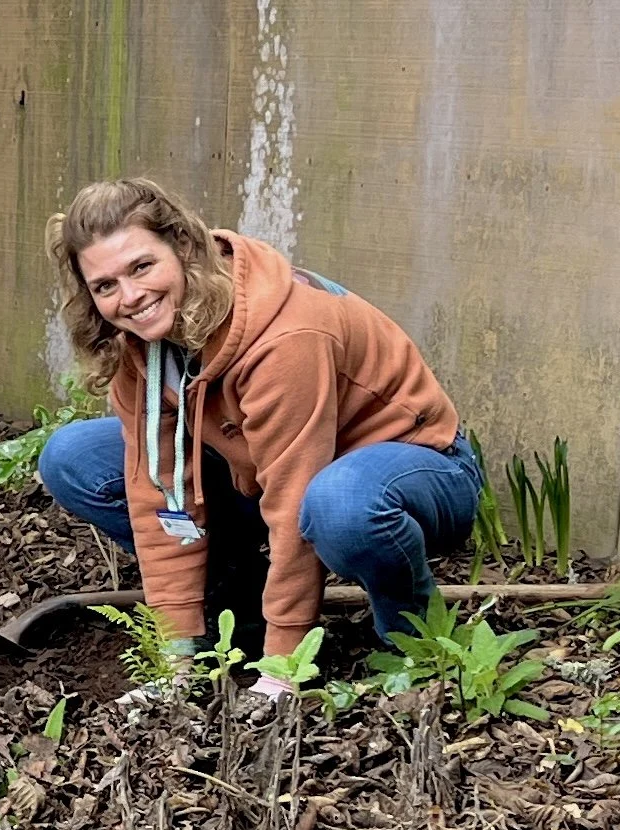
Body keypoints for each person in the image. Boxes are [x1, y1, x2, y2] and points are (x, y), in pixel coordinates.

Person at [37, 177, 485, 685]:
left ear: (183, 246)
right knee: (74, 457)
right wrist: (175, 659)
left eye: (142, 267)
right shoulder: (137, 340)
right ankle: (234, 613)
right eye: (105, 285)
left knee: (338, 503)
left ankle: (417, 642)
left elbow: (294, 500)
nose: (131, 296)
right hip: (261, 464)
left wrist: (283, 669)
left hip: (411, 469)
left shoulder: (287, 336)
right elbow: (158, 496)